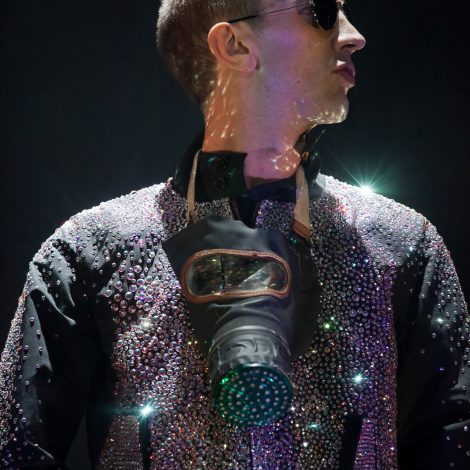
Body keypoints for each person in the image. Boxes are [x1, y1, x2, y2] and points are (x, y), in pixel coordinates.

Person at [1, 0, 469, 468]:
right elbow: (16, 452)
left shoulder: (401, 243)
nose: (354, 37)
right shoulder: (90, 250)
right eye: (322, 11)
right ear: (234, 44)